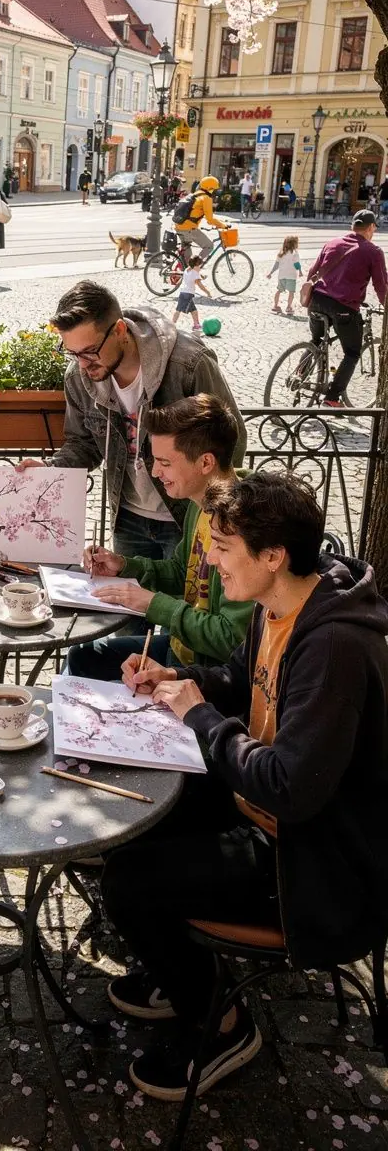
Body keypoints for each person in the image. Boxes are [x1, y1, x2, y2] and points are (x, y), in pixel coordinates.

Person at [100, 471, 388, 1101]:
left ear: (273, 556)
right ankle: (176, 970)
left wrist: (198, 714)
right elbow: (235, 678)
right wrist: (170, 676)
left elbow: (290, 787)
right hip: (261, 810)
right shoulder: (281, 605)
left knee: (127, 882)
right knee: (127, 817)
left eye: (224, 549)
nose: (211, 561)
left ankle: (221, 1024)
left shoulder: (334, 645)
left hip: (311, 859)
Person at [19, 281, 246, 562]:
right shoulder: (78, 377)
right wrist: (50, 468)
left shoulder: (188, 364)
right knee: (133, 602)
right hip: (128, 519)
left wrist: (210, 512)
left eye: (90, 351)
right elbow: (83, 444)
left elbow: (231, 440)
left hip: (187, 517)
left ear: (120, 331)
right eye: (72, 353)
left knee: (187, 601)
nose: (82, 364)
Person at [67, 395, 254, 678]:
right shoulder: (200, 504)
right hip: (181, 649)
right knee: (82, 656)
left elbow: (231, 637)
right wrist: (125, 566)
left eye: (164, 462)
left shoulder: (242, 526)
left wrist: (154, 605)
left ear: (205, 462)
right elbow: (181, 571)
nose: (155, 472)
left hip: (207, 675)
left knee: (84, 665)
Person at [307, 209, 387, 406]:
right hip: (343, 307)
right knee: (352, 352)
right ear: (370, 228)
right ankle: (333, 398)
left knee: (316, 340)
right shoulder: (373, 252)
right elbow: (381, 286)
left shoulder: (332, 243)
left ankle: (302, 371)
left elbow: (312, 272)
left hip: (315, 300)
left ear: (353, 226)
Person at [174, 175, 229, 257]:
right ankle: (195, 268)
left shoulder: (195, 195)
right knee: (209, 246)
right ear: (210, 188)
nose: (214, 191)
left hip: (179, 226)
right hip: (189, 228)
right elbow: (210, 220)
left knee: (186, 254)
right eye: (214, 189)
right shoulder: (206, 198)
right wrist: (222, 225)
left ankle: (185, 268)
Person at [171, 255, 211, 333]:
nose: (200, 268)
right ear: (196, 266)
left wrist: (200, 275)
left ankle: (196, 325)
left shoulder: (187, 270)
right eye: (199, 266)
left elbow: (191, 278)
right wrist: (207, 292)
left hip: (183, 292)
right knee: (178, 310)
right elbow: (199, 285)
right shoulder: (195, 273)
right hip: (188, 294)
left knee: (193, 310)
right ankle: (172, 324)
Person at [267, 234, 301, 315]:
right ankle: (289, 307)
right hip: (291, 276)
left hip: (282, 276)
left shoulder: (281, 253)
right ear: (294, 244)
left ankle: (275, 306)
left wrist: (271, 273)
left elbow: (276, 265)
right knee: (291, 292)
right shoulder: (295, 254)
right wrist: (300, 271)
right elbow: (297, 265)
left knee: (279, 290)